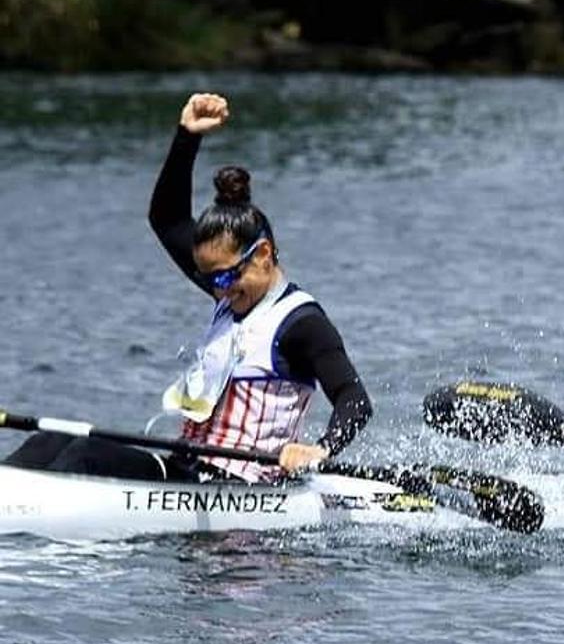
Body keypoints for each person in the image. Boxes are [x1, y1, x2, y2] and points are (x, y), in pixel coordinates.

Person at [5, 93, 372, 483]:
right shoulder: (229, 288)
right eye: (211, 278)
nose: (220, 290)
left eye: (227, 276)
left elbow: (355, 399)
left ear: (262, 253)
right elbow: (166, 218)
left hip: (239, 487)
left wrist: (321, 448)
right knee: (52, 442)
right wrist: (186, 138)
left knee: (84, 455)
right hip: (187, 471)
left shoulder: (302, 322)